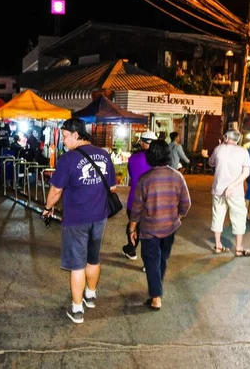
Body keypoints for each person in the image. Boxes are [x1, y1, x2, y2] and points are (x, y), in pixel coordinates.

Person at [41, 118, 116, 324]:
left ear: (76, 135)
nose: (63, 141)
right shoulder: (103, 154)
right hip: (99, 217)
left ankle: (77, 309)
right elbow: (112, 187)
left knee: (77, 265)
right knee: (93, 258)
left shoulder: (68, 159)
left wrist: (48, 209)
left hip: (75, 220)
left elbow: (56, 190)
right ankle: (90, 296)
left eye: (64, 136)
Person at [129, 140, 191, 310]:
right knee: (162, 259)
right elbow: (186, 203)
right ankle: (157, 287)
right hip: (170, 228)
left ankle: (156, 297)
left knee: (151, 261)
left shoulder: (145, 179)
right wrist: (176, 216)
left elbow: (136, 208)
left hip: (149, 229)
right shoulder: (177, 176)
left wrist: (132, 228)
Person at [208, 129, 250, 257]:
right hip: (235, 191)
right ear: (237, 139)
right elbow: (246, 173)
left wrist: (220, 145)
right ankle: (238, 248)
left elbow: (211, 163)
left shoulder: (218, 149)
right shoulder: (243, 151)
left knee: (218, 216)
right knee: (239, 217)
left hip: (218, 190)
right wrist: (232, 186)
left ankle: (218, 246)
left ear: (226, 137)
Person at [122, 131, 158, 261]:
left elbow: (132, 174)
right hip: (154, 202)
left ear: (142, 142)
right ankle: (148, 261)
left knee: (133, 225)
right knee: (149, 231)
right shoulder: (158, 160)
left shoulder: (133, 158)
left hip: (135, 199)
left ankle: (131, 249)